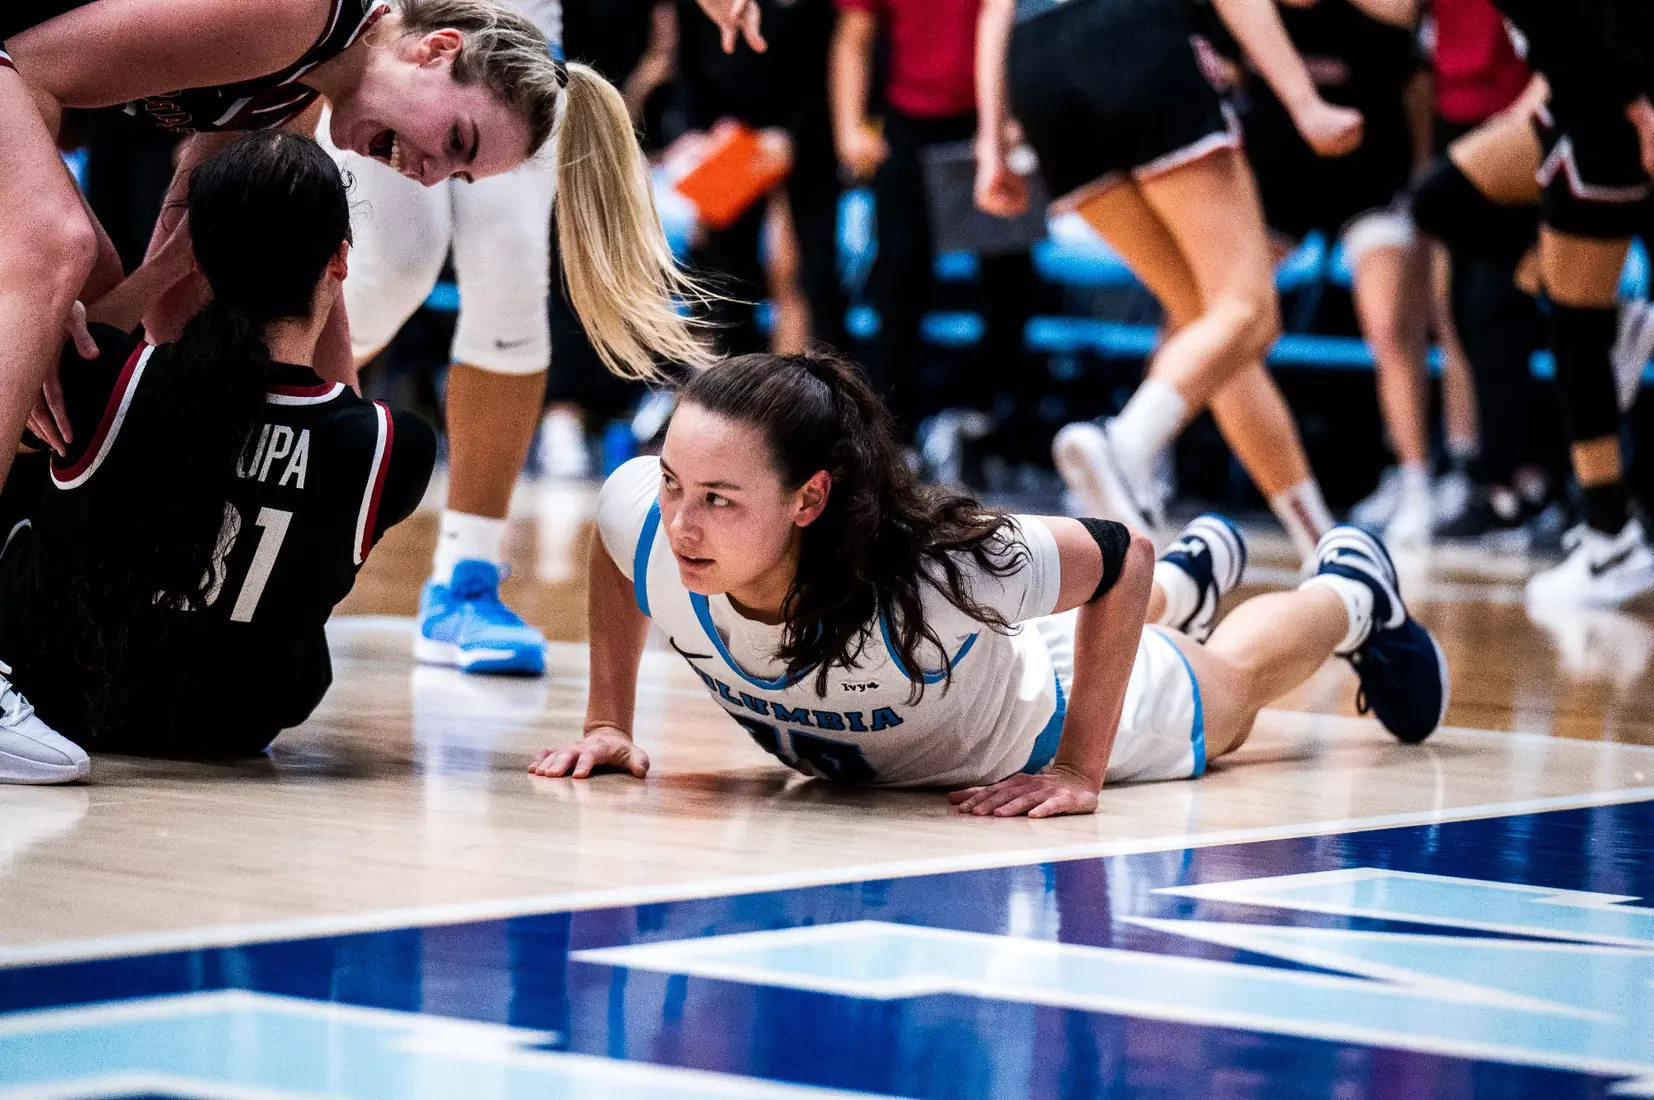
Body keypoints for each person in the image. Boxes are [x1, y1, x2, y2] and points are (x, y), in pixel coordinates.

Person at [527, 353, 1449, 815]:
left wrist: (1080, 768)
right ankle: (1192, 583)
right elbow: (622, 550)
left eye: (720, 500)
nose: (682, 522)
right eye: (676, 484)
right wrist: (610, 718)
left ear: (811, 499)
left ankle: (1351, 591)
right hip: (992, 645)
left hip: (1044, 704)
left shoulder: (934, 572)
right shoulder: (645, 516)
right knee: (1119, 596)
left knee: (1234, 690)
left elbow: (1118, 552)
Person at [1, 0, 760, 478]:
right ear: (436, 49)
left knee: (86, 359)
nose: (430, 176)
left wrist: (342, 481)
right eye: (457, 141)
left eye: (459, 176)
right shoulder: (300, 14)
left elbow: (187, 281)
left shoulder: (297, 95)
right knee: (61, 249)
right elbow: (20, 69)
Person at [0, 132, 437, 784]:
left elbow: (57, 350)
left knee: (25, 436)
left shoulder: (114, 381)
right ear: (340, 260)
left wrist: (159, 271)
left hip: (61, 699)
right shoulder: (393, 446)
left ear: (198, 257)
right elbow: (330, 410)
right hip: (237, 723)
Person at [973, 0, 1355, 568]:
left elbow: (994, 10)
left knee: (1212, 330)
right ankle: (1125, 444)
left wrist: (990, 145)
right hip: (1133, 36)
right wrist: (1304, 101)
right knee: (1249, 309)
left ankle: (1322, 542)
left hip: (1039, 68)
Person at [315, 0, 567, 677]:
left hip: (518, 11)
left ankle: (468, 576)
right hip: (396, 18)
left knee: (512, 268)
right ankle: (236, 456)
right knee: (389, 271)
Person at [1416, 0, 1654, 603]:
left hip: (1610, 107)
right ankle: (1616, 324)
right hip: (1574, 98)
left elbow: (1584, 19)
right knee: (1443, 199)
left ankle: (1612, 538)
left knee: (1575, 330)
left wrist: (1638, 107)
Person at [1239, 0, 1438, 547]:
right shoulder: (1247, 15)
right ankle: (1149, 459)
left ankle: (1415, 481)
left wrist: (1420, 180)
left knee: (1388, 328)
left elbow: (1418, 88)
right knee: (1220, 316)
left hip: (1370, 189)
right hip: (1278, 192)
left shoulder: (1383, 13)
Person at [829, 0, 1041, 457]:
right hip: (910, 120)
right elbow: (855, 34)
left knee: (1009, 278)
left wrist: (1012, 119)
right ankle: (895, 435)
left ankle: (993, 422)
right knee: (899, 278)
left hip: (995, 116)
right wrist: (848, 127)